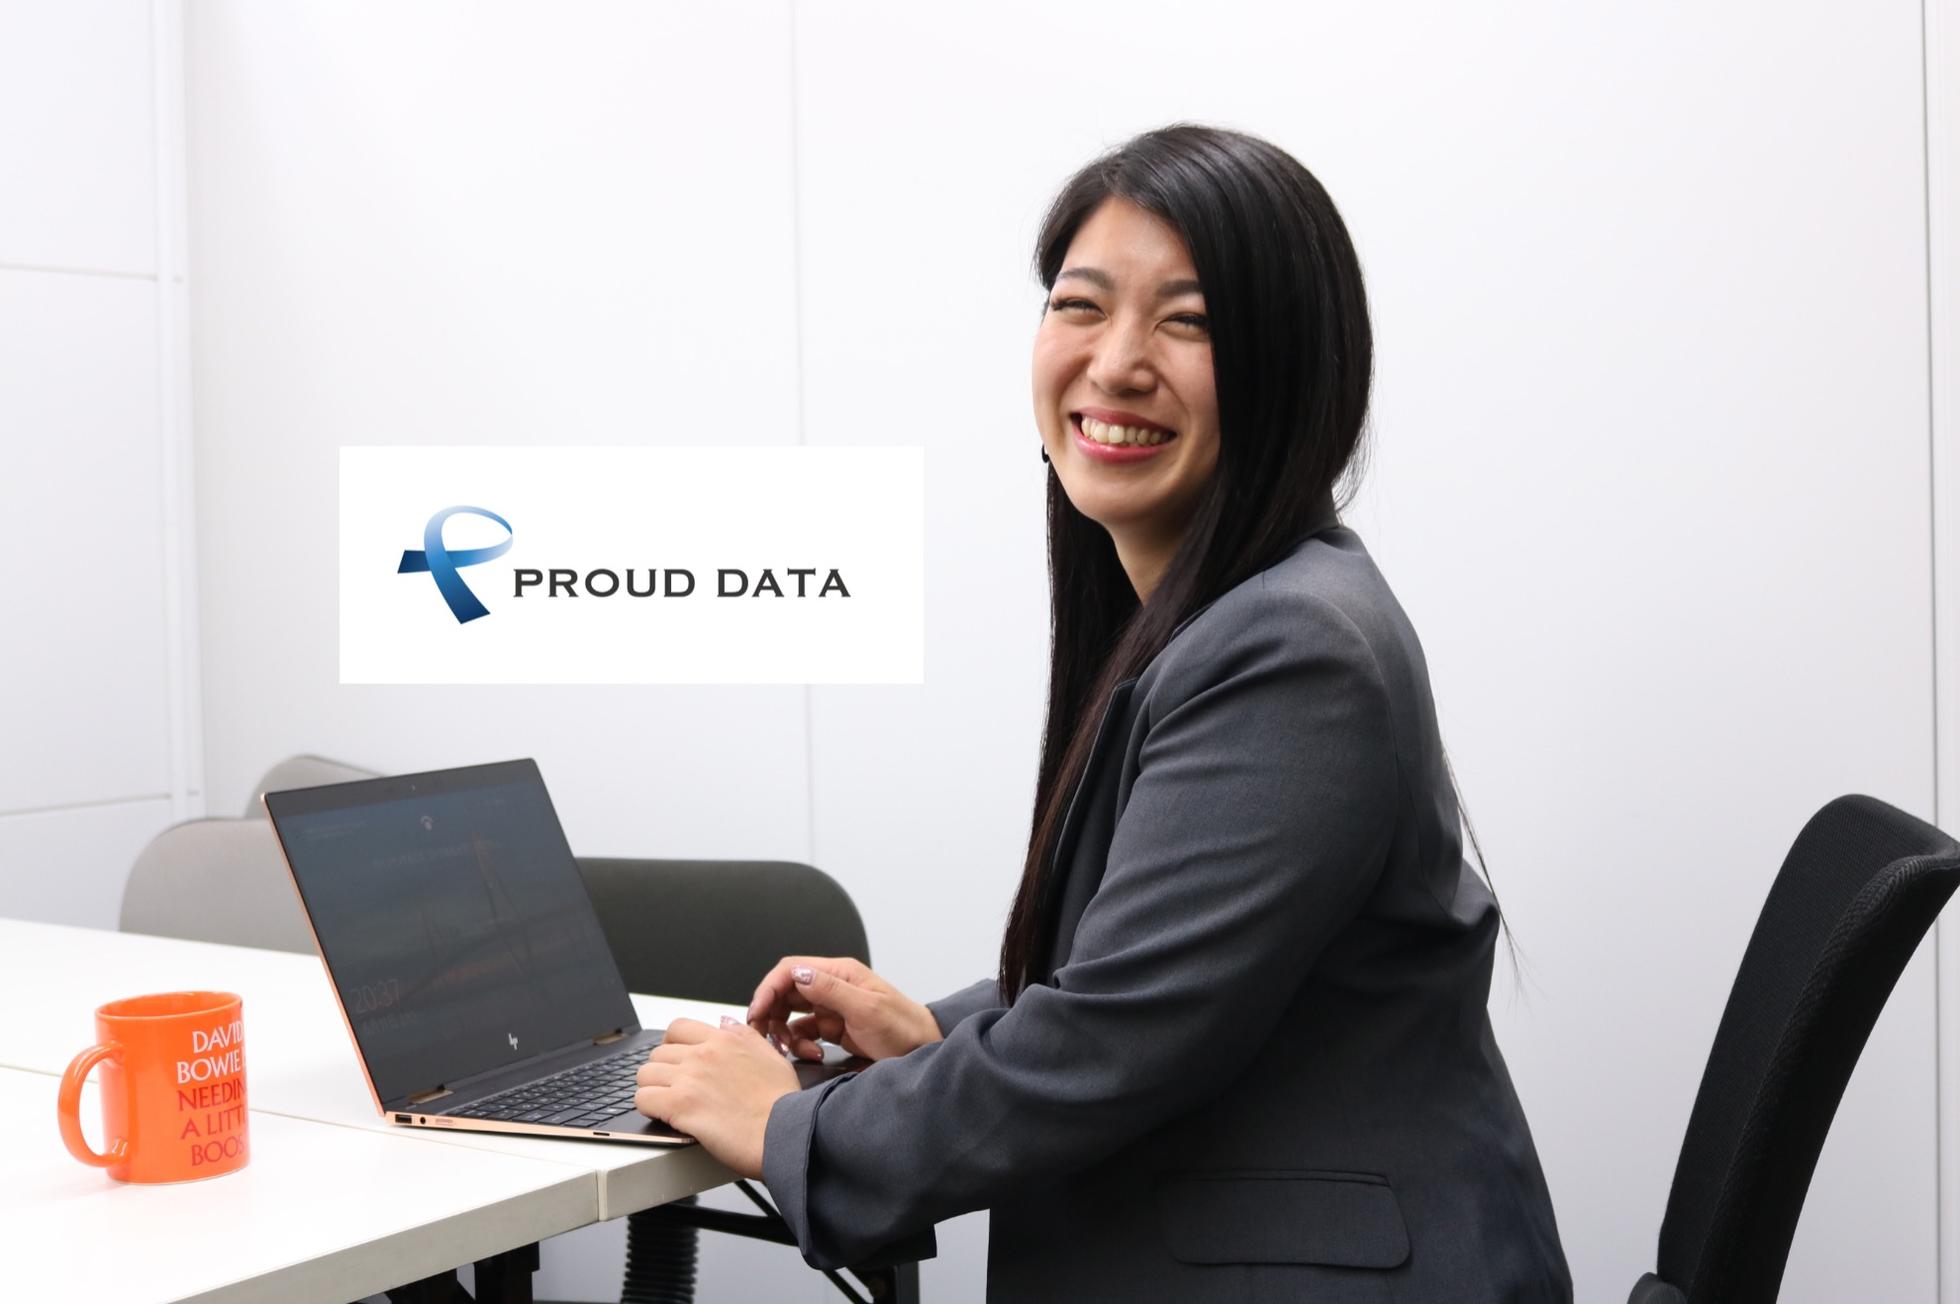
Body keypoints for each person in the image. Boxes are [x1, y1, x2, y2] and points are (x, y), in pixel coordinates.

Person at [632, 122, 1573, 1302]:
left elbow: (1112, 1040)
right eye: (1080, 305)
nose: (1117, 362)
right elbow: (1150, 981)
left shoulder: (1293, 650)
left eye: (1189, 322)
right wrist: (941, 1031)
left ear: (1292, 367)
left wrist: (790, 1127)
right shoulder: (1225, 610)